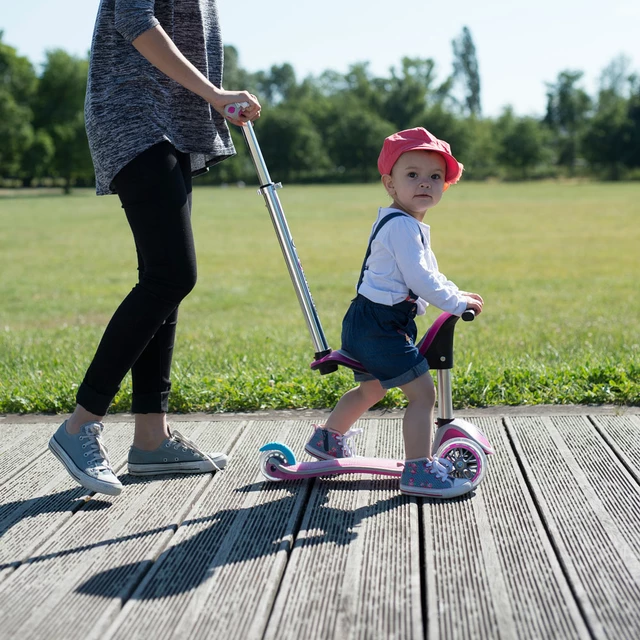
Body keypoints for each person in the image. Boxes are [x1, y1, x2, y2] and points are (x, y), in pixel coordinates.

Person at [48, 1, 261, 497]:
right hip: (134, 116)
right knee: (171, 275)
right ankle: (79, 425)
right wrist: (214, 94)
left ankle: (150, 438)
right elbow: (134, 20)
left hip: (167, 123)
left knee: (163, 280)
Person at [304, 127, 484, 499]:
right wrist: (454, 303)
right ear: (390, 184)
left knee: (370, 388)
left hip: (366, 321)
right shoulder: (403, 227)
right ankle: (419, 469)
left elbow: (428, 273)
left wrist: (455, 292)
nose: (425, 184)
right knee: (422, 395)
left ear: (444, 187)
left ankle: (328, 440)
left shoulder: (403, 222)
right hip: (380, 327)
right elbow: (420, 279)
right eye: (412, 175)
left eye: (435, 177)